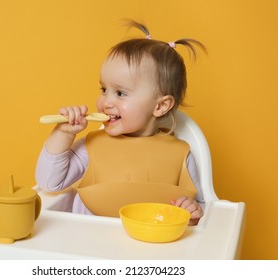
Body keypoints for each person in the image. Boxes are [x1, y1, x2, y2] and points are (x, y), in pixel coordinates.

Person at [36, 20, 206, 225]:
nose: (106, 102)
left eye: (120, 93)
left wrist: (191, 212)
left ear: (160, 106)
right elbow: (49, 183)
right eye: (103, 89)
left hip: (149, 251)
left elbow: (200, 207)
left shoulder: (181, 155)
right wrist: (63, 134)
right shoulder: (92, 145)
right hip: (89, 248)